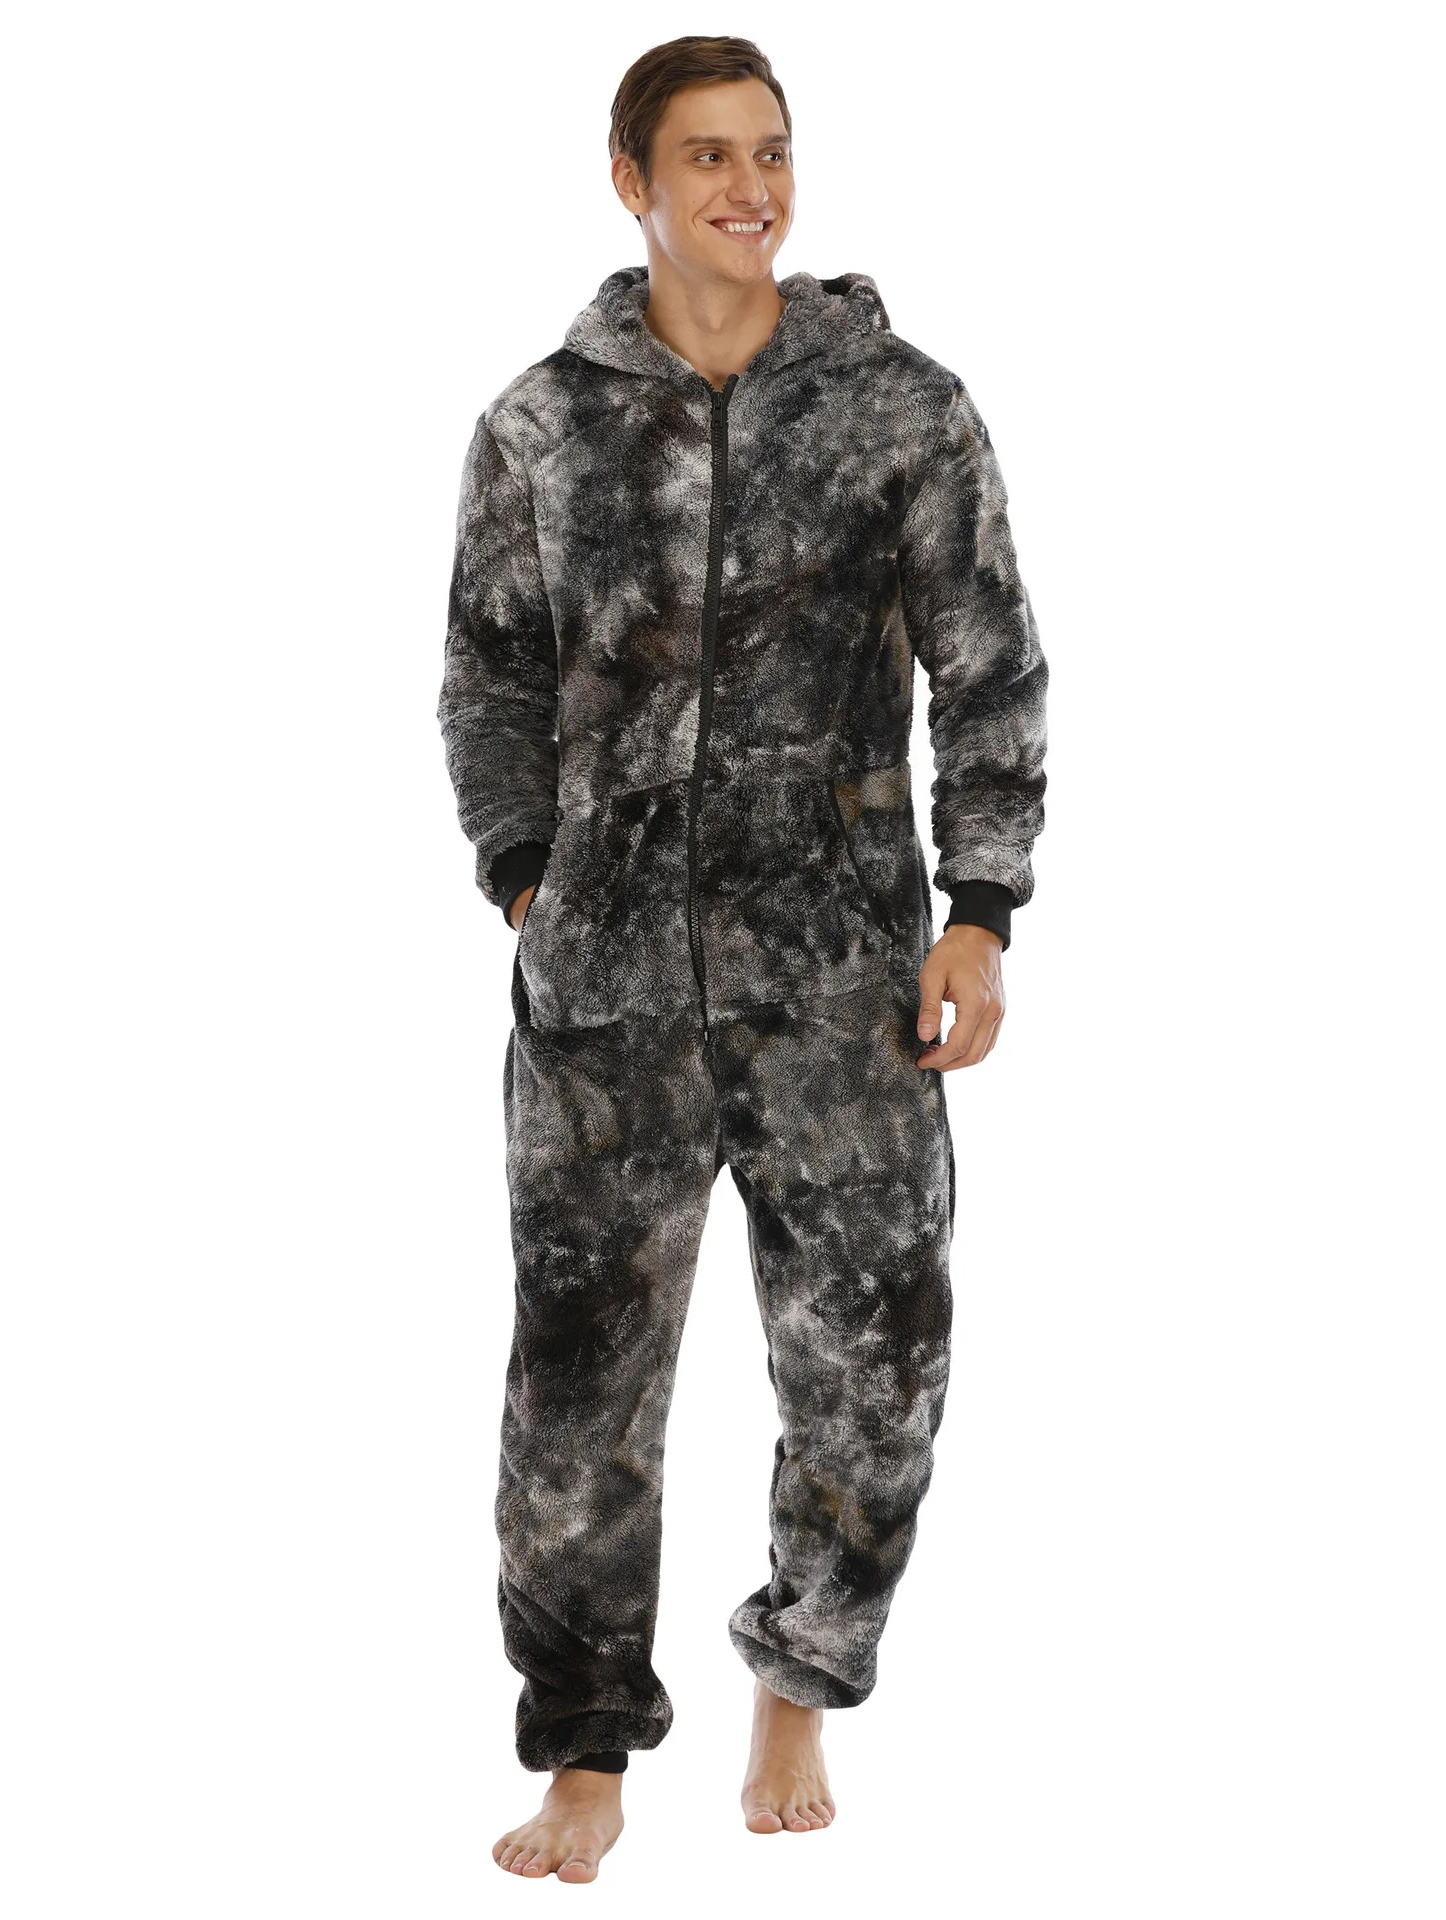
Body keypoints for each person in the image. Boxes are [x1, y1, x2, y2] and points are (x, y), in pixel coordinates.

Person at [438, 34, 1048, 1883]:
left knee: (876, 1363)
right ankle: (586, 1750)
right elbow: (489, 672)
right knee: (578, 1391)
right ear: (631, 180)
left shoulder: (901, 410)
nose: (749, 188)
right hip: (605, 994)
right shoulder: (542, 425)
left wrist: (979, 908)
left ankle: (801, 1673)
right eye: (707, 156)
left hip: (842, 983)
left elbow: (990, 663)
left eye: (770, 152)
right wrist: (528, 875)